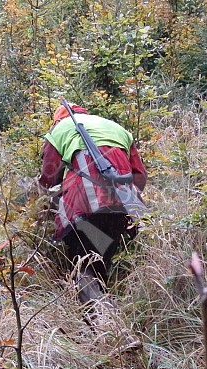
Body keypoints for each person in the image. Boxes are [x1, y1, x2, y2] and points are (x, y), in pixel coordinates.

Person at [38, 102, 147, 306]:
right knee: (100, 262)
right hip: (122, 206)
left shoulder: (59, 129)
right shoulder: (117, 128)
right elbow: (139, 178)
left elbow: (48, 179)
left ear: (56, 121)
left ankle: (105, 324)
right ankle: (105, 324)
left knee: (83, 266)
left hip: (83, 206)